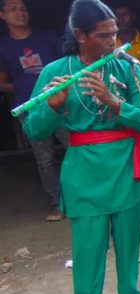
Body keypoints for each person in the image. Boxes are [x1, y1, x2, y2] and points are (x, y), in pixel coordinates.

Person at [21, 0, 140, 294]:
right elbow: (33, 131)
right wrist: (53, 108)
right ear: (80, 35)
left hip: (127, 167)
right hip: (84, 173)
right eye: (104, 36)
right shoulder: (56, 71)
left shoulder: (127, 67)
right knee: (88, 250)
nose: (113, 42)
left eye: (115, 33)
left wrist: (114, 102)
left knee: (129, 243)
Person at [0, 0, 67, 221]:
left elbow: (66, 66)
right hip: (29, 109)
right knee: (44, 158)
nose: (20, 13)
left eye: (23, 8)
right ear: (3, 15)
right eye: (13, 9)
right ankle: (58, 202)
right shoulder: (3, 46)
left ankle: (84, 195)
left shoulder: (47, 38)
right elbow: (2, 82)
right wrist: (24, 91)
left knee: (77, 146)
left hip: (61, 104)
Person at [113, 3, 140, 72]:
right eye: (117, 15)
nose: (120, 19)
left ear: (133, 16)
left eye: (125, 14)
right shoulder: (110, 43)